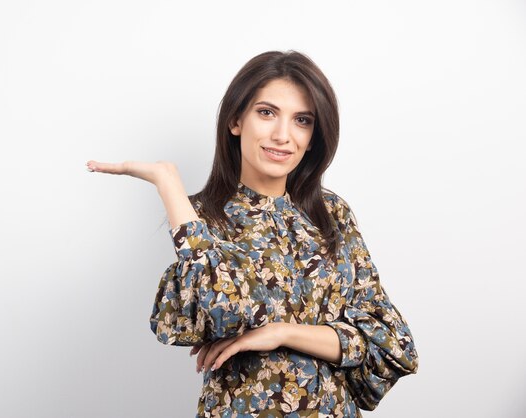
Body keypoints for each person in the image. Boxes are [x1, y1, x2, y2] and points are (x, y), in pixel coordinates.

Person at [86, 50, 419, 418]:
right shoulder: (199, 219)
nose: (282, 135)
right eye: (266, 112)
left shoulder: (331, 214)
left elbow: (392, 344)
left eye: (302, 120)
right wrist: (169, 186)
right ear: (235, 120)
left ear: (313, 136)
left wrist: (281, 332)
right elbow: (222, 308)